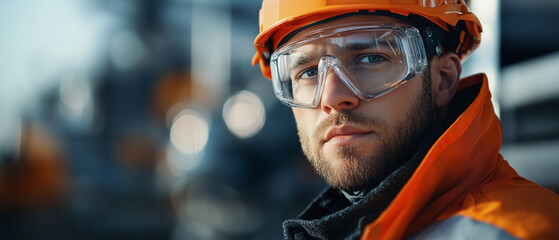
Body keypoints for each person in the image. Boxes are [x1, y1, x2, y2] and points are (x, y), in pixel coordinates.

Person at [251, 0, 559, 239]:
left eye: (371, 58)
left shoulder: (525, 231)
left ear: (444, 80)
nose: (331, 97)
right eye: (307, 72)